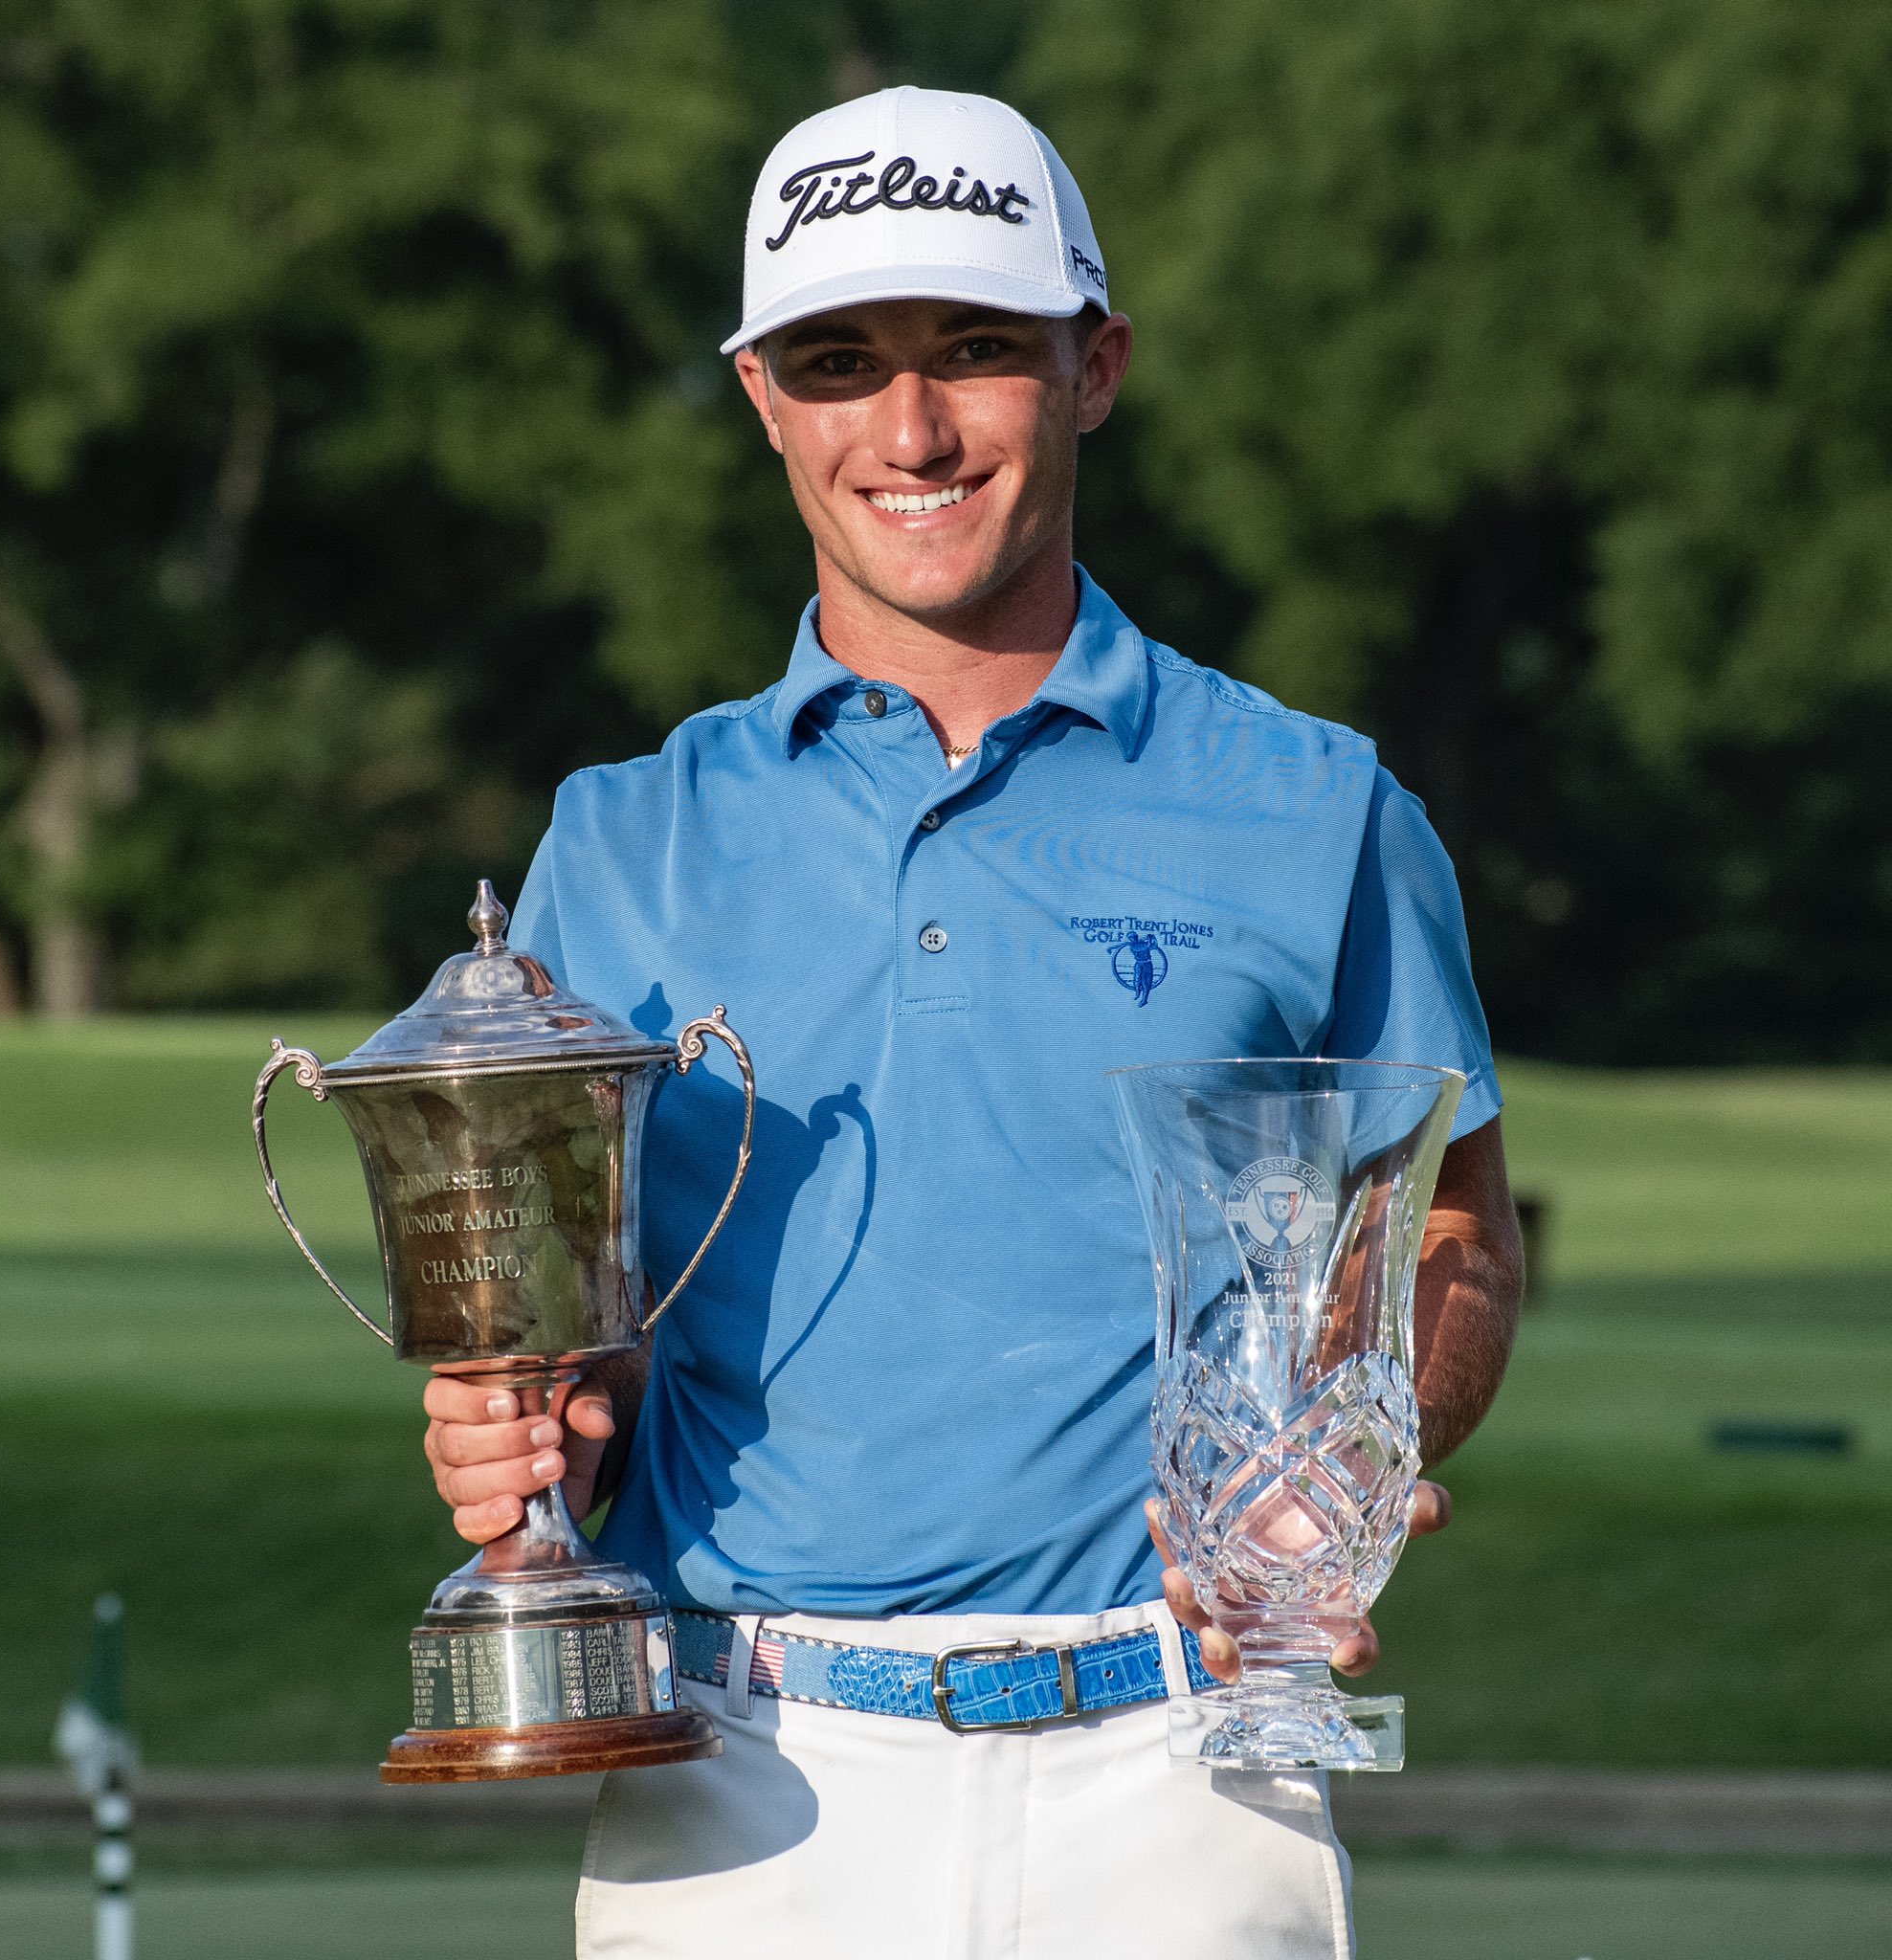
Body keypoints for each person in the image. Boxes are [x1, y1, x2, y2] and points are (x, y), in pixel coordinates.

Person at [423, 86, 1523, 1960]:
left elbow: (1453, 1239)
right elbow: (566, 1331)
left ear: (1095, 368)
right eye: (839, 362)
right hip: (738, 1781)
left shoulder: (1319, 803)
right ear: (762, 398)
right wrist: (526, 1430)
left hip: (1186, 1774)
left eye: (977, 351)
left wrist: (1367, 1445)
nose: (911, 429)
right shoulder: (617, 841)